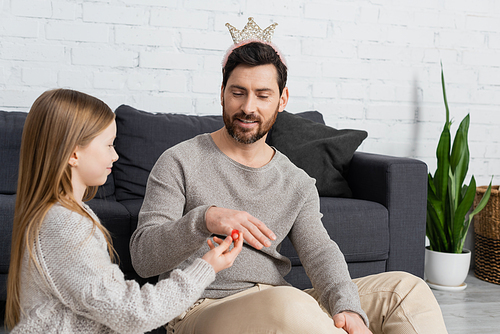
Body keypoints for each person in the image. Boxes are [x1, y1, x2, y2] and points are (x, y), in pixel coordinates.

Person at [130, 19, 448, 334]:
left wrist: (347, 306)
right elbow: (143, 257)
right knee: (287, 304)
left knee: (408, 290)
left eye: (262, 95)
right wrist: (205, 219)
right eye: (238, 92)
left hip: (278, 299)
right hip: (201, 306)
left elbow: (320, 252)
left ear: (282, 100)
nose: (248, 107)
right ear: (222, 94)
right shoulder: (179, 161)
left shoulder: (295, 181)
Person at [5, 88, 243, 333]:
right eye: (109, 145)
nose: (116, 155)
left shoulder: (59, 215)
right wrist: (206, 267)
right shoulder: (65, 224)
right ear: (74, 153)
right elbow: (134, 314)